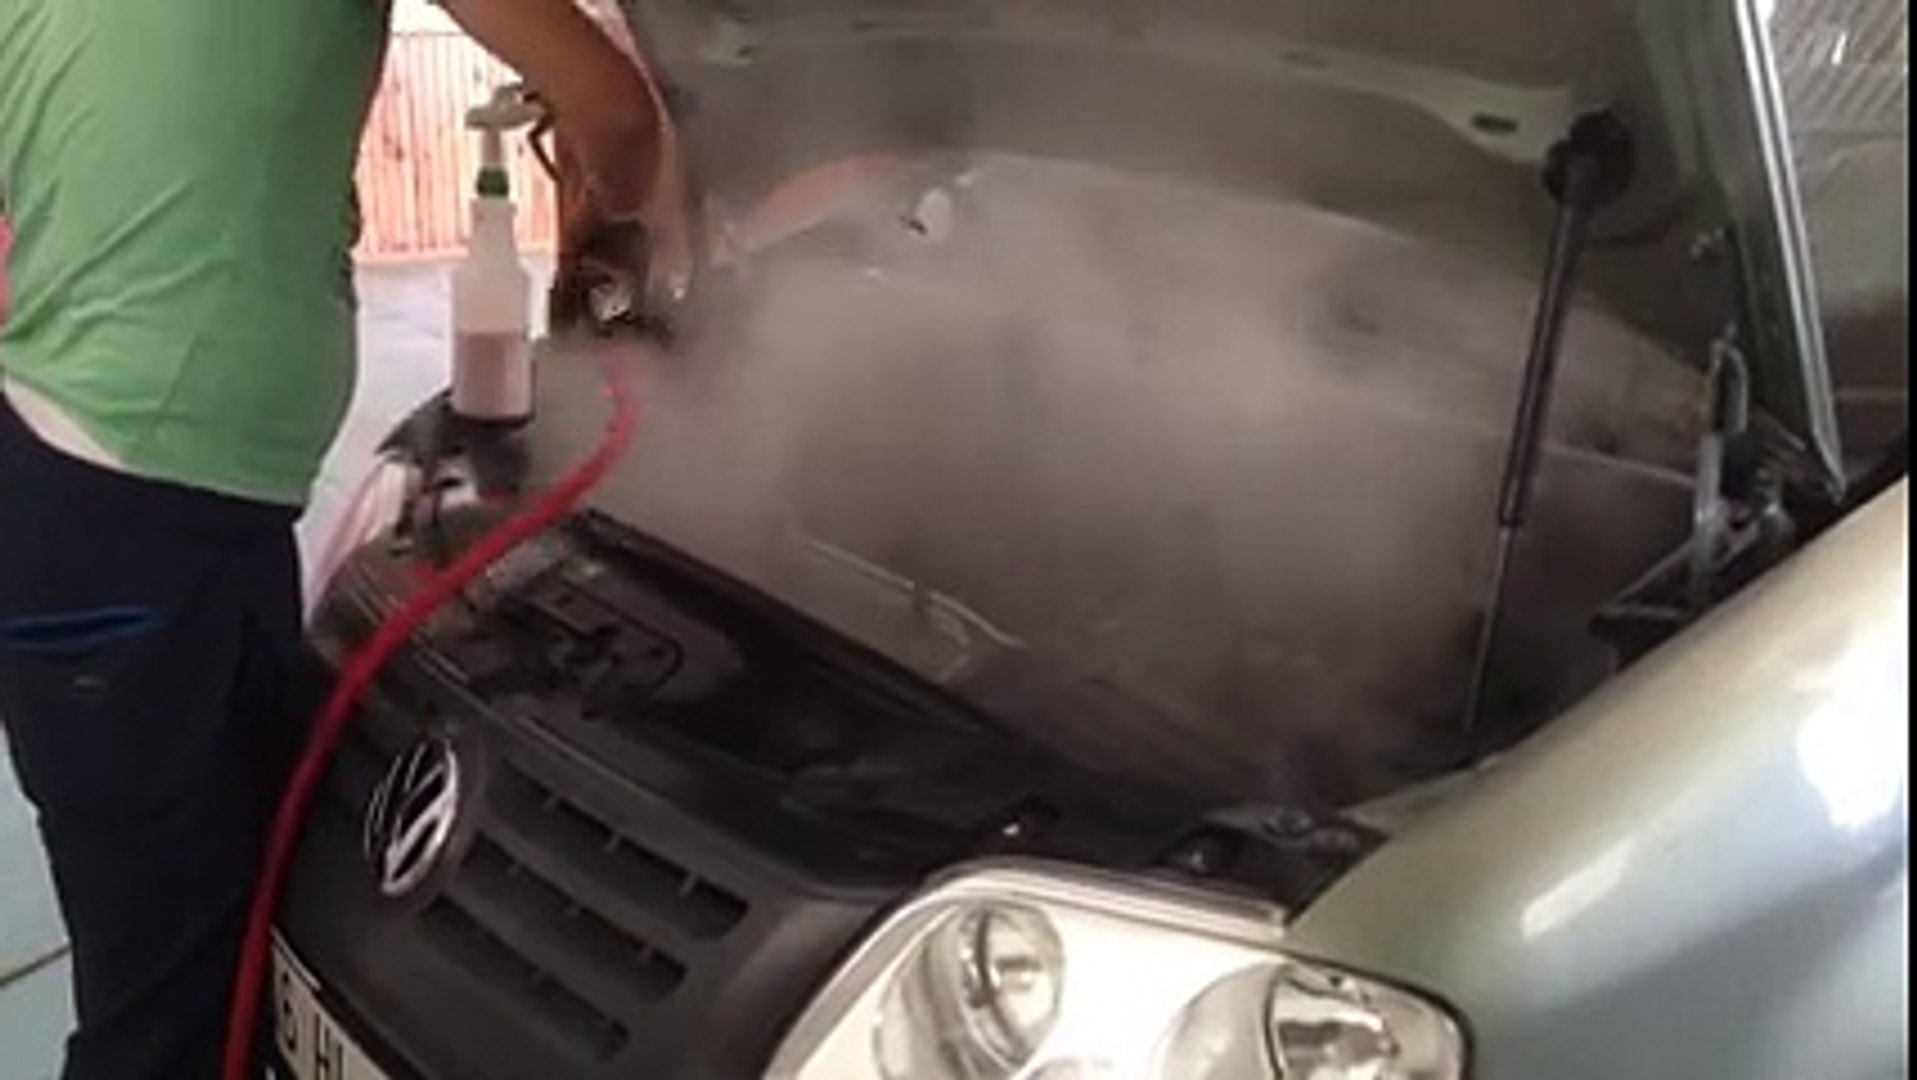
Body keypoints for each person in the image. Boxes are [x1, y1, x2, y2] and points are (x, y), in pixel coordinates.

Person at [0, 1, 667, 1076]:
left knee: (211, 955)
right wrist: (636, 239)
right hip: (145, 515)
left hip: (80, 483)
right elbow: (617, 111)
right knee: (173, 1019)